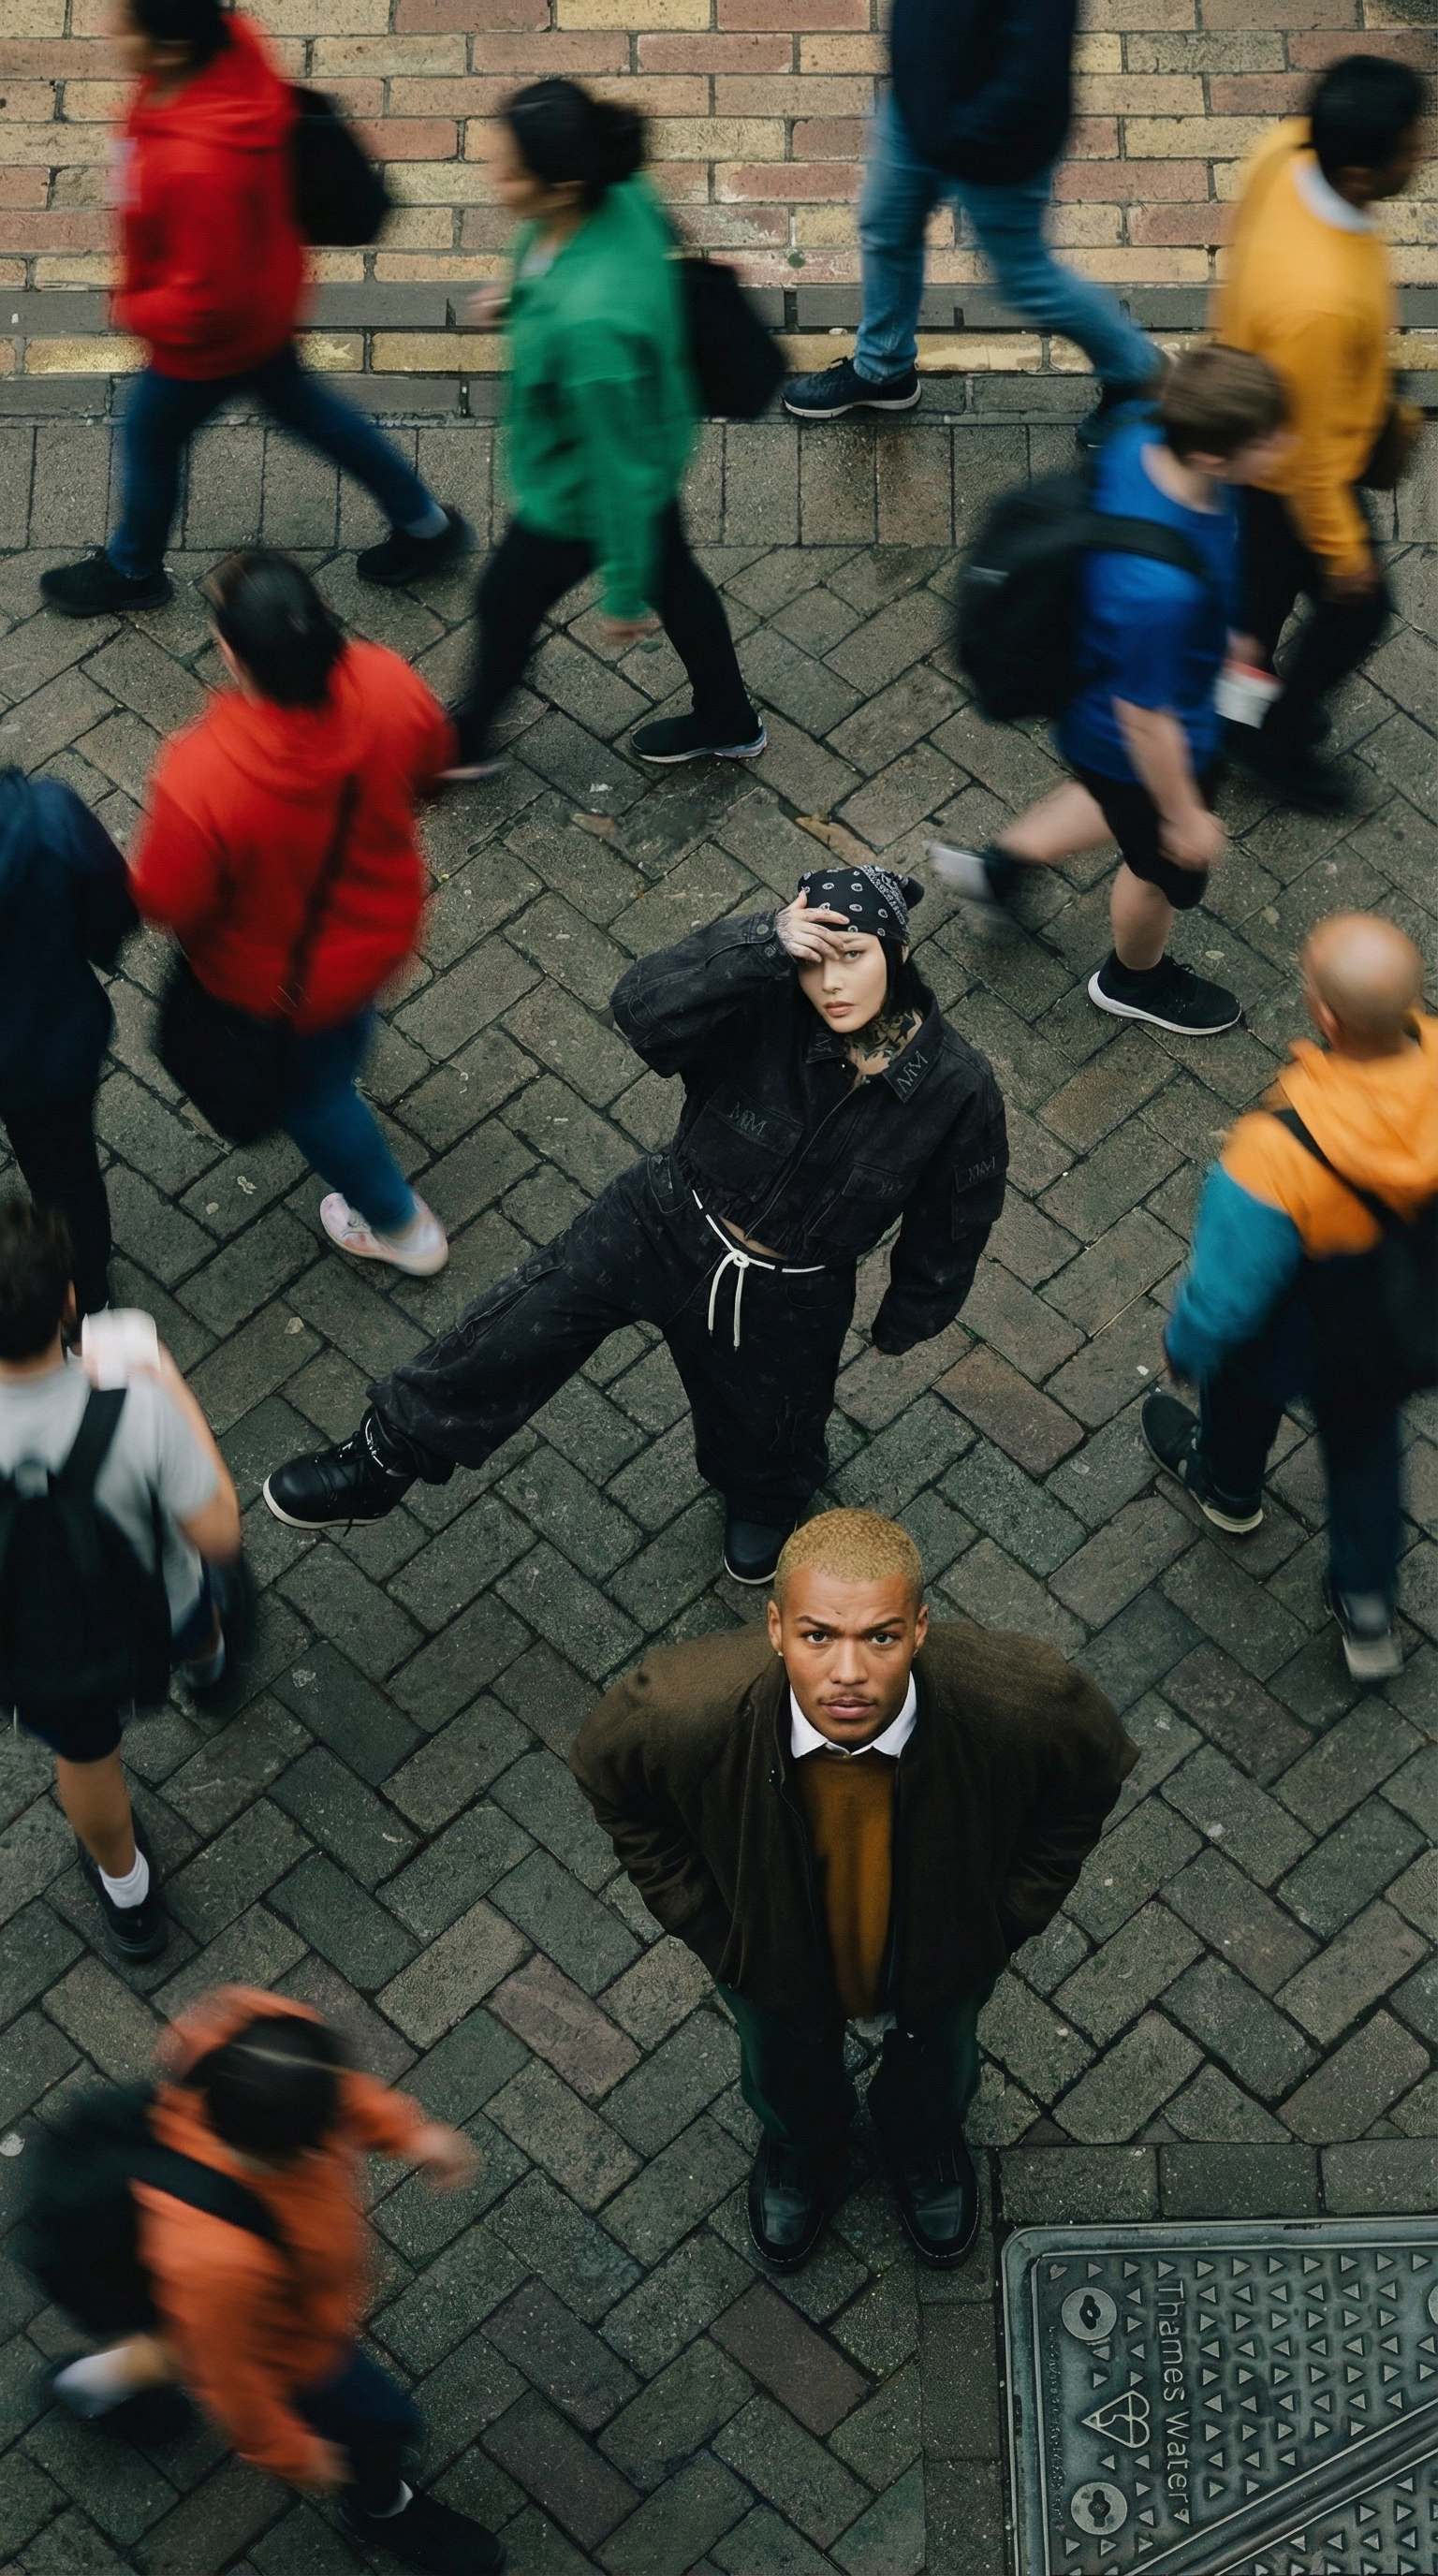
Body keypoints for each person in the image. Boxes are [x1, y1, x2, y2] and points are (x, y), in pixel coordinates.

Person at [260, 864, 1007, 1588]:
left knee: (772, 1424)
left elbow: (955, 1218)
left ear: (899, 952)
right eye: (815, 960)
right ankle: (380, 1458)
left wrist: (910, 1315)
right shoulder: (768, 995)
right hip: (662, 1215)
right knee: (520, 1324)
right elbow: (641, 1008)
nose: (831, 983)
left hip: (791, 1290)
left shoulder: (958, 1090)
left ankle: (764, 1501)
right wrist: (762, 943)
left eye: (853, 956)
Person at [571, 1509, 1134, 2267]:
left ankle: (924, 2143)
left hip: (939, 1955)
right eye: (817, 1636)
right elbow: (613, 1784)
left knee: (940, 2065)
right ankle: (804, 2147)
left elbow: (1087, 1783)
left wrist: (1003, 1920)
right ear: (774, 1628)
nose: (847, 1673)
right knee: (783, 2069)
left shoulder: (1021, 1703)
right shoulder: (679, 1711)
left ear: (921, 1629)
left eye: (880, 1636)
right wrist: (709, 1924)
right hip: (773, 1958)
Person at [39, 0, 470, 622]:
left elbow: (202, 301)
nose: (113, 32)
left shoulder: (197, 167)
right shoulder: (231, 49)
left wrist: (134, 307)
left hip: (216, 342)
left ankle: (133, 571)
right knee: (309, 412)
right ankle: (427, 528)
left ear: (170, 49)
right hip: (266, 298)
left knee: (149, 433)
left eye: (128, 25)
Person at [49, 1989, 504, 2575]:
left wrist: (406, 2134)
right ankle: (382, 2510)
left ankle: (83, 2387)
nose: (338, 2142)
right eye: (327, 2141)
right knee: (379, 2425)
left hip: (249, 2309)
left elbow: (337, 2091)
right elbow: (232, 2381)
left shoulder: (260, 2049)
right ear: (291, 2151)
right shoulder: (217, 2261)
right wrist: (291, 2453)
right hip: (296, 2349)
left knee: (181, 2345)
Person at [931, 344, 1289, 1038]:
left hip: (1108, 700)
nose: (1285, 445)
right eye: (1267, 439)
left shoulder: (1148, 436)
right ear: (1216, 457)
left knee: (1115, 801)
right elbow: (1144, 719)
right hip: (1139, 738)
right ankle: (1134, 979)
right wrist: (1184, 815)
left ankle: (998, 871)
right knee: (1156, 871)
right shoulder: (1159, 595)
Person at [128, 551, 453, 1277]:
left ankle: (403, 1228)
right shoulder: (390, 681)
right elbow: (432, 771)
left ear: (233, 654)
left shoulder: (202, 775)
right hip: (381, 931)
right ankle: (346, 1059)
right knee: (341, 1036)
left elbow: (165, 900)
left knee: (312, 1099)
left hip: (278, 984)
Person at [1145, 914, 1437, 1684]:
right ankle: (1368, 1610)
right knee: (1367, 1451)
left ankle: (1230, 1491)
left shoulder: (1276, 1152)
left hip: (1294, 1320)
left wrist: (1186, 1343)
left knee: (1238, 1398)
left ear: (1328, 1017)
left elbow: (1229, 1293)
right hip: (1395, 1320)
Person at [448, 78, 763, 774]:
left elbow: (616, 473)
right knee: (677, 581)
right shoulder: (620, 196)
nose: (492, 177)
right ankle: (728, 716)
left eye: (507, 168)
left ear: (558, 186)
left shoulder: (591, 334)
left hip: (582, 495)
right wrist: (524, 295)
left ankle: (464, 743)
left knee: (503, 598)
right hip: (650, 432)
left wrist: (620, 593)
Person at [0, 1200, 245, 1963]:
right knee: (201, 1611)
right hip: (155, 1606)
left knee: (87, 1762)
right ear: (69, 1300)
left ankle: (131, 1899)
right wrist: (165, 1383)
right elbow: (218, 1533)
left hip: (42, 1651)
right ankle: (208, 1674)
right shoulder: (134, 1399)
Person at [781, 0, 1156, 437]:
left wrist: (960, 136)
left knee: (1026, 278)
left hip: (997, 140)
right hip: (918, 108)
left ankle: (1138, 374)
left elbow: (1037, 61)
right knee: (886, 229)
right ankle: (883, 369)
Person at [1216, 56, 1429, 813]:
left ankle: (1233, 699)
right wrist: (1344, 558)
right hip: (1293, 457)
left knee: (1264, 585)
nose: (1422, 152)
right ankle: (1276, 732)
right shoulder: (1321, 304)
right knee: (1358, 608)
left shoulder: (1284, 148)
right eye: (1411, 145)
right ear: (1364, 173)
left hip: (1258, 423)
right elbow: (1306, 463)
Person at [0, 768, 138, 1320]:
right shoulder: (50, 817)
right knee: (65, 1174)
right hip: (49, 1052)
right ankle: (88, 1297)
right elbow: (115, 910)